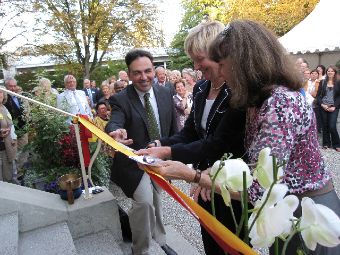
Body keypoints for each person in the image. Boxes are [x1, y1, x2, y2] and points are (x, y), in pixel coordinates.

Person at [152, 20, 340, 255]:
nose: (218, 72)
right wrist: (216, 171)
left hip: (306, 212)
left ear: (244, 63)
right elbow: (255, 160)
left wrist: (192, 174)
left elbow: (262, 187)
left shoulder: (280, 103)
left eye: (222, 64)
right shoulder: (256, 101)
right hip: (283, 210)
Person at [136, 21, 246, 255]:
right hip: (202, 181)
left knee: (234, 244)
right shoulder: (200, 88)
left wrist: (168, 153)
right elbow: (191, 132)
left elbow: (219, 143)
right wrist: (161, 144)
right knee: (210, 240)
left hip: (229, 183)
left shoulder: (237, 91)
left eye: (199, 58)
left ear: (219, 52)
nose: (195, 66)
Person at [105, 49, 178, 255]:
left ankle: (160, 240)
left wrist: (174, 156)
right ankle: (141, 250)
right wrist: (115, 132)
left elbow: (173, 126)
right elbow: (115, 121)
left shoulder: (166, 92)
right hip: (133, 163)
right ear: (129, 74)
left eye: (148, 71)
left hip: (158, 159)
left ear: (154, 70)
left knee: (157, 199)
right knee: (145, 202)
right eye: (137, 73)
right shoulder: (121, 99)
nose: (143, 77)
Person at [4, 78, 29, 174]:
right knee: (13, 153)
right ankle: (15, 173)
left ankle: (23, 171)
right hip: (11, 132)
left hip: (22, 129)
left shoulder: (19, 97)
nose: (13, 88)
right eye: (11, 86)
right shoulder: (3, 99)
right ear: (6, 86)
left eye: (14, 86)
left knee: (24, 151)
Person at [317, 66, 340, 151]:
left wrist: (335, 106)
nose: (330, 72)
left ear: (335, 73)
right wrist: (322, 104)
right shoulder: (322, 82)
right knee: (325, 125)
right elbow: (318, 96)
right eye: (328, 71)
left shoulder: (338, 82)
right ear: (326, 72)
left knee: (332, 126)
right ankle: (326, 143)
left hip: (334, 107)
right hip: (324, 106)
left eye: (332, 71)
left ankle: (337, 144)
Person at [0, 86, 18, 183]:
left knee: (9, 175)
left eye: (1, 92)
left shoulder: (4, 107)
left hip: (8, 145)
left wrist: (13, 138)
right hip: (1, 148)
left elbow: (11, 125)